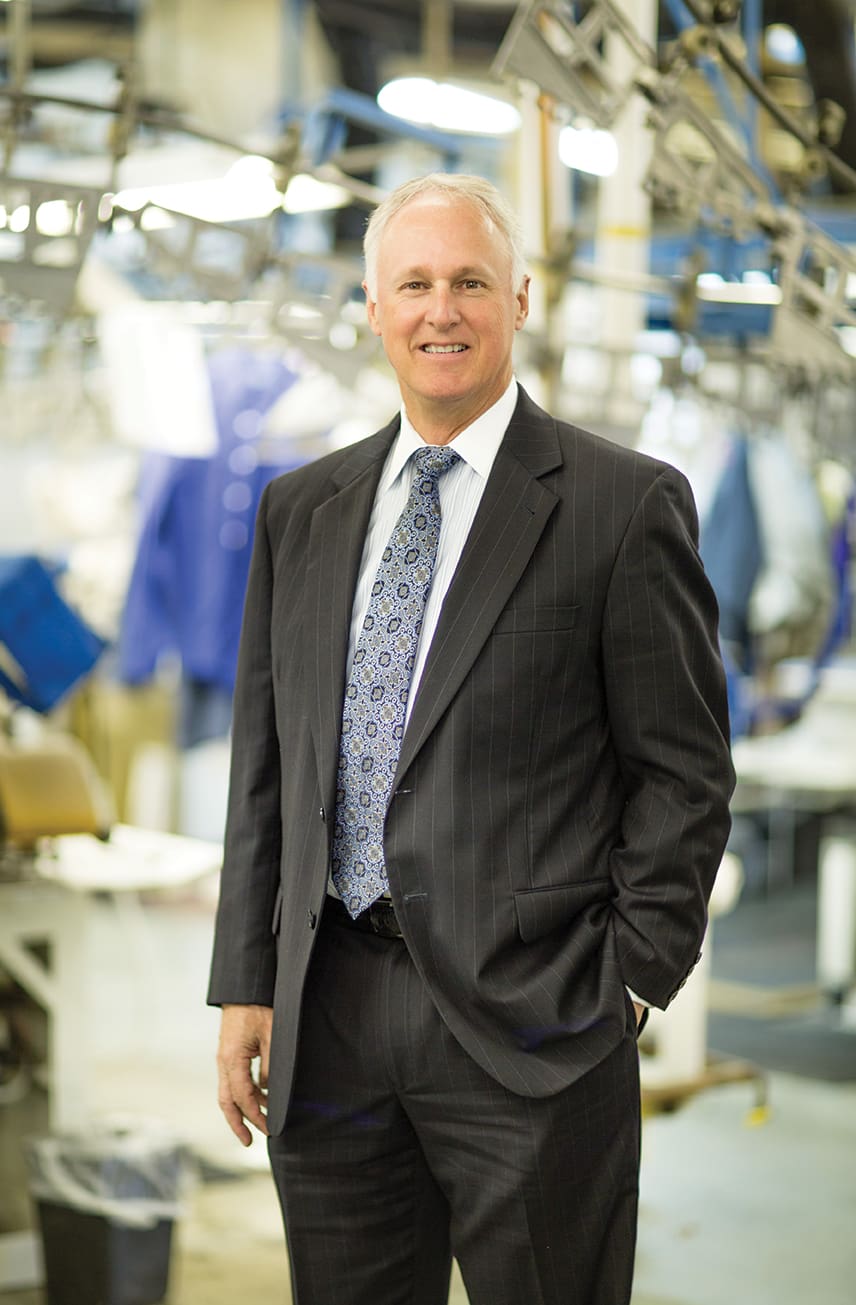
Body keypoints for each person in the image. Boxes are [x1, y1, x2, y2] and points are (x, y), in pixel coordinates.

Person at [208, 171, 735, 1305]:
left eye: (468, 282)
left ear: (521, 300)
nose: (438, 310)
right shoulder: (302, 508)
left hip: (535, 1025)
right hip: (329, 1011)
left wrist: (628, 982)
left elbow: (683, 773)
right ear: (370, 306)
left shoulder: (619, 503)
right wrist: (247, 981)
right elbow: (268, 771)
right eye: (412, 284)